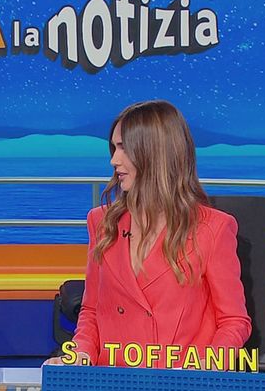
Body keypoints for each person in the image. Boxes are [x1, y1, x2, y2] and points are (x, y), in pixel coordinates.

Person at [47, 100, 251, 367]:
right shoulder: (102, 223)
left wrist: (208, 366)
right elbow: (92, 311)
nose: (114, 160)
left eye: (124, 148)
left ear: (155, 153)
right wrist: (79, 356)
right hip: (113, 380)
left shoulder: (212, 228)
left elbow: (234, 322)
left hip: (180, 381)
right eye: (114, 148)